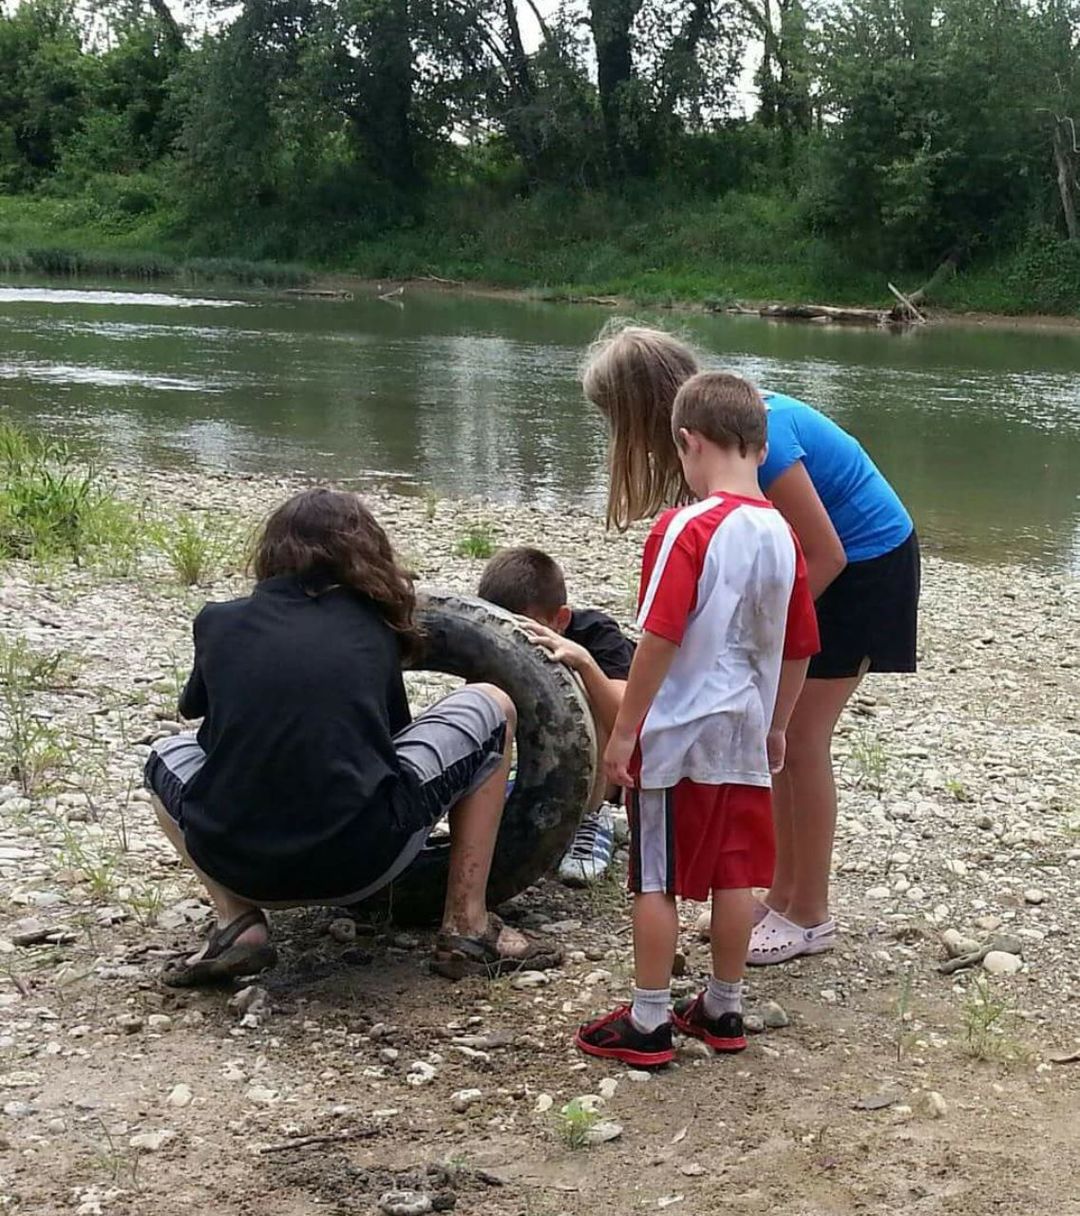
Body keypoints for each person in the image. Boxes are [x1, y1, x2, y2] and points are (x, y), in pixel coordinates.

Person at [583, 322, 919, 966]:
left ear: (647, 412)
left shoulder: (764, 434)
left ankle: (809, 912)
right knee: (779, 736)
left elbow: (823, 553)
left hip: (867, 565)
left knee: (801, 739)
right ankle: (783, 895)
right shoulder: (720, 435)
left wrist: (765, 638)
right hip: (826, 568)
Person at [144, 487, 561, 987]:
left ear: (272, 553)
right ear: (366, 555)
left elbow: (196, 717)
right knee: (492, 704)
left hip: (235, 860)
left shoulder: (218, 621)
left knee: (164, 752)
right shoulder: (373, 626)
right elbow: (389, 738)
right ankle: (467, 926)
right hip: (363, 861)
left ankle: (238, 921)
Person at [574, 372, 819, 1067]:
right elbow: (800, 646)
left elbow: (659, 637)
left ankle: (650, 1019)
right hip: (744, 733)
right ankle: (724, 1004)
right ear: (760, 445)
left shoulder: (687, 526)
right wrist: (778, 723)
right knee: (733, 873)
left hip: (679, 732)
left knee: (656, 876)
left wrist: (626, 730)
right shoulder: (784, 536)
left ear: (689, 442)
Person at [478, 546, 634, 885]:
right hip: (558, 759)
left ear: (560, 620)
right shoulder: (494, 643)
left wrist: (585, 663)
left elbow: (627, 720)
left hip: (629, 763)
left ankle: (592, 817)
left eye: (526, 631)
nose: (516, 643)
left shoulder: (597, 634)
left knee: (577, 684)